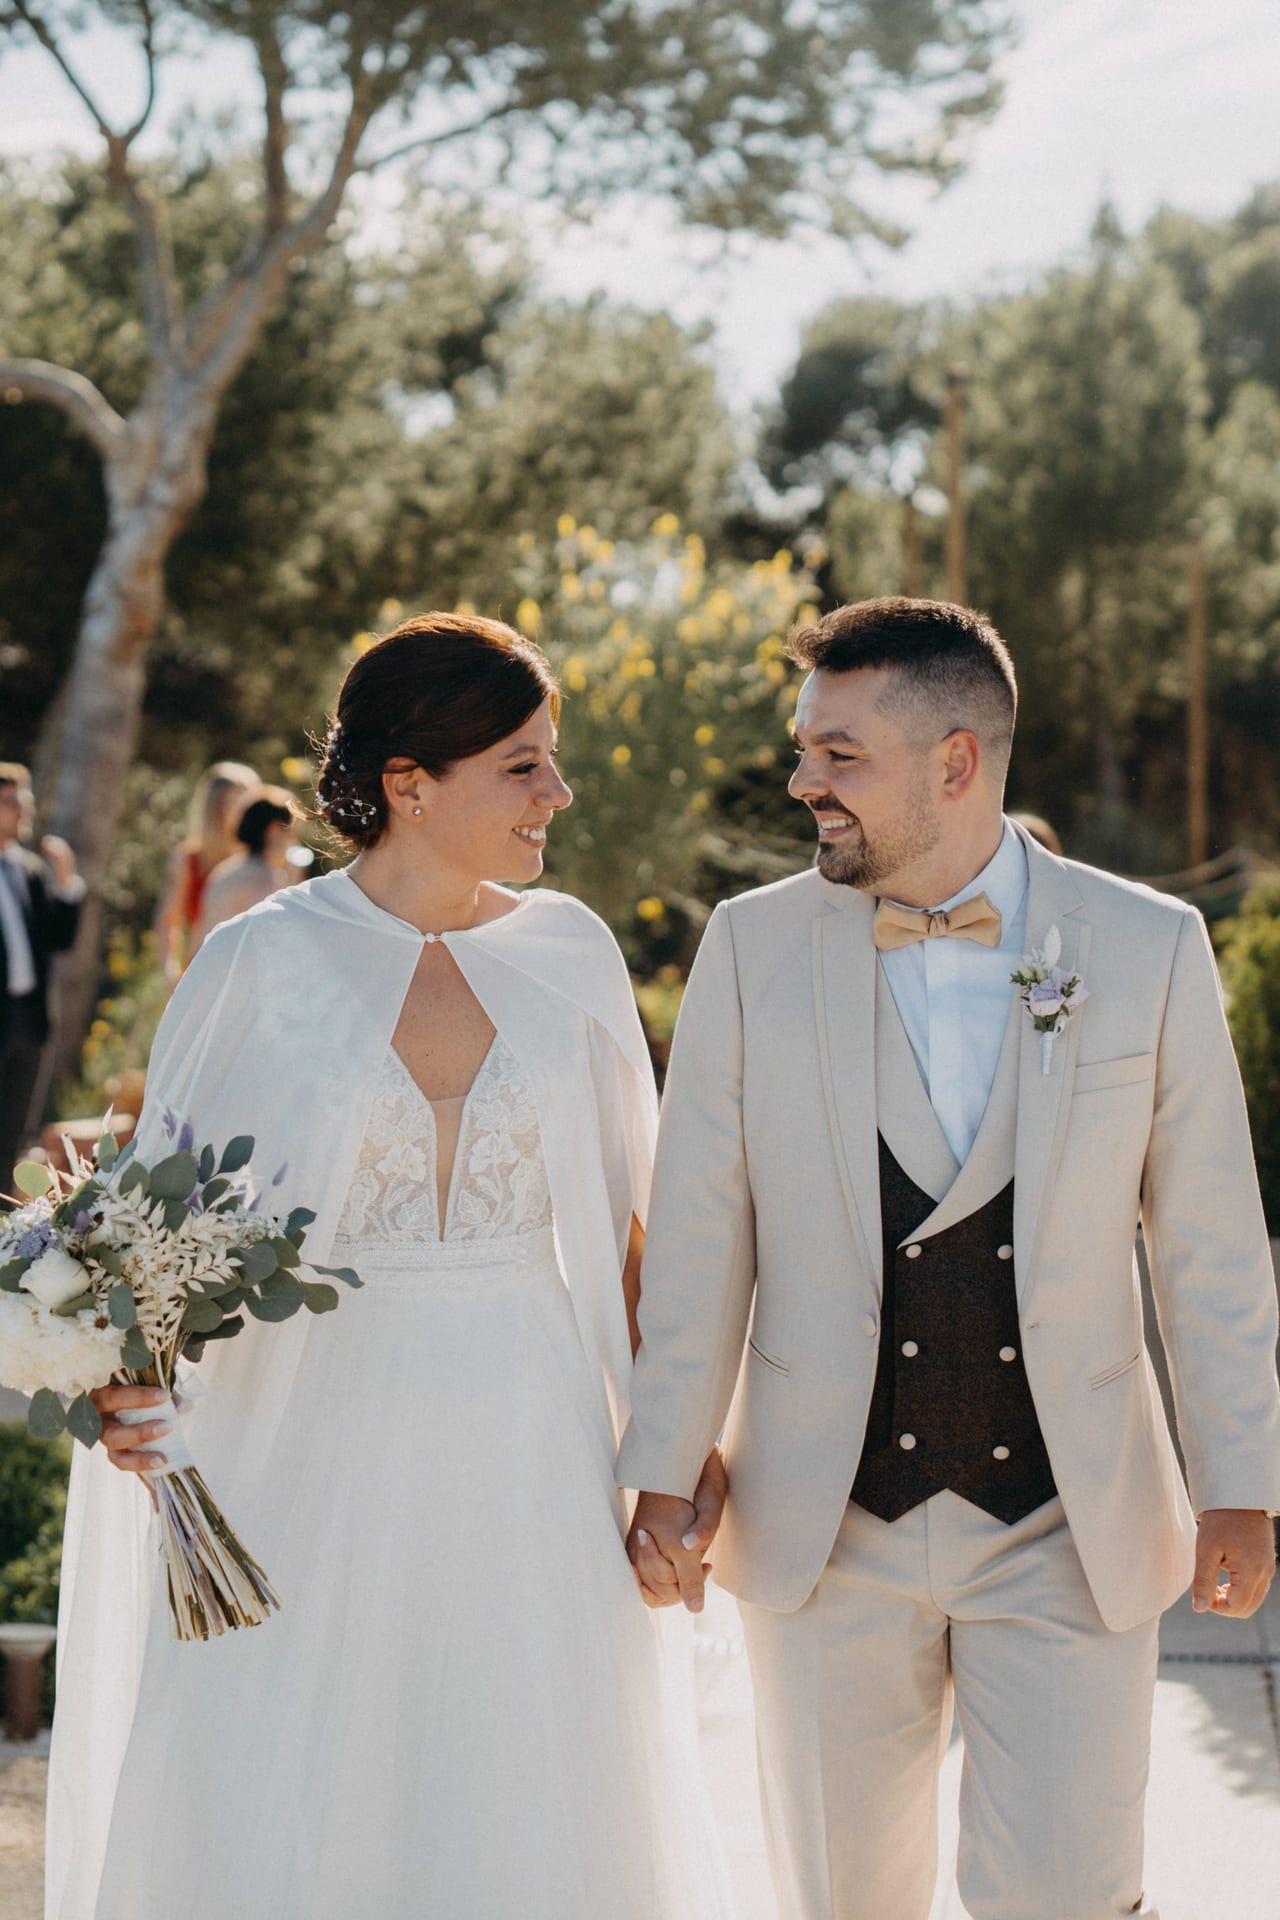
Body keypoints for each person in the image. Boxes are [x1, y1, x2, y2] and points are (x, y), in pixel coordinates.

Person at [46, 613, 728, 1920]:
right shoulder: (257, 961)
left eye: (554, 760)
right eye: (523, 766)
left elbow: (648, 1235)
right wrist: (125, 1385)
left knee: (534, 1781)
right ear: (413, 787)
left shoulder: (574, 954)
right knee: (305, 1783)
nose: (558, 792)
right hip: (306, 1451)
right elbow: (149, 1231)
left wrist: (674, 1454)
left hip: (536, 1446)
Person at [619, 596, 1280, 1920]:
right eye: (806, 750)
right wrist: (661, 1464)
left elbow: (1205, 1241)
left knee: (1072, 1895)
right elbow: (699, 1235)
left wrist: (1241, 1483)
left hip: (1068, 1522)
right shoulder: (751, 947)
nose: (804, 781)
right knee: (844, 1900)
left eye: (839, 755)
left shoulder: (1146, 946)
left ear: (958, 762)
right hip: (823, 1518)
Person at [0, 762, 85, 1204]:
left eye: (25, 801)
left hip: (27, 1022)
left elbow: (58, 939)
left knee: (13, 1135)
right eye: (12, 802)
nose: (23, 810)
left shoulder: (27, 870)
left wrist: (68, 884)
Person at [153, 760, 258, 984]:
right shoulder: (189, 860)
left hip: (252, 975)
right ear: (215, 808)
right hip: (205, 974)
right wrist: (170, 973)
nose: (244, 813)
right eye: (235, 804)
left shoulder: (263, 862)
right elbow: (168, 921)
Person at [191, 784, 304, 949]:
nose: (294, 842)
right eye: (291, 833)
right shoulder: (263, 878)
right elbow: (280, 940)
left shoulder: (226, 870)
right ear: (274, 830)